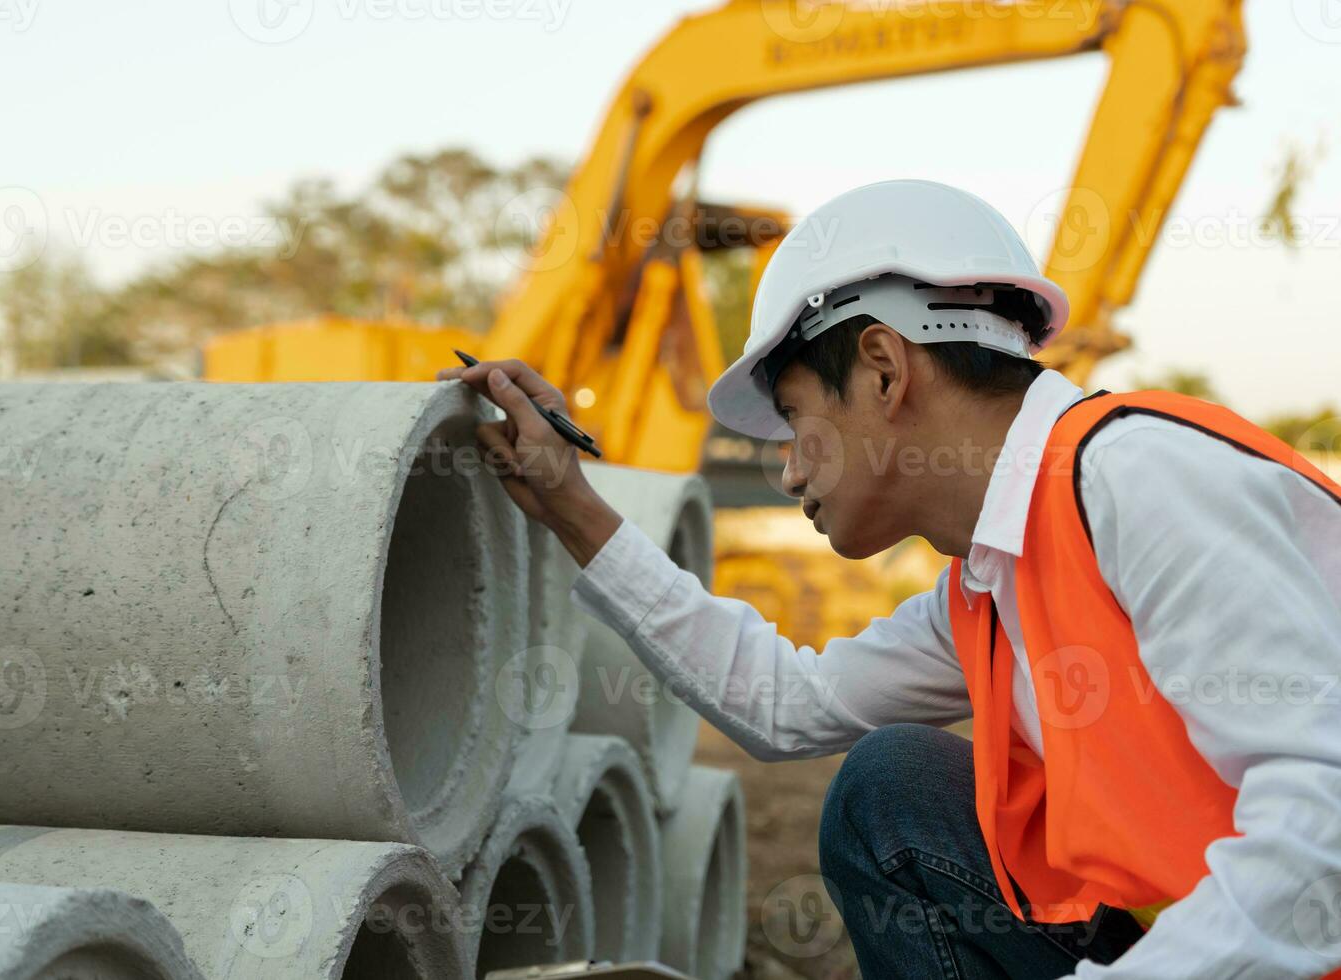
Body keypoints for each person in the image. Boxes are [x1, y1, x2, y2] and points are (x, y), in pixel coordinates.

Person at [438, 179, 1341, 979]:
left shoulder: (1138, 480)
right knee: (894, 788)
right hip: (1214, 941)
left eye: (795, 419)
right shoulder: (993, 583)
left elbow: (1322, 832)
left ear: (882, 368)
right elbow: (784, 703)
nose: (789, 472)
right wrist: (571, 505)